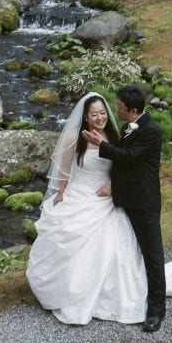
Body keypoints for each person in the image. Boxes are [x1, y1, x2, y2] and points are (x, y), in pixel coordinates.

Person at [26, 92, 154, 325]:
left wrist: (113, 184)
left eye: (103, 113)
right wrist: (61, 193)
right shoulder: (75, 137)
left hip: (104, 197)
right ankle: (65, 289)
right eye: (94, 114)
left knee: (114, 243)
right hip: (79, 192)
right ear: (85, 117)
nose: (100, 117)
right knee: (66, 234)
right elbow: (64, 168)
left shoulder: (115, 136)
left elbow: (125, 164)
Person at [82, 84, 168, 333]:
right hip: (126, 197)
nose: (115, 108)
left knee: (153, 255)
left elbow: (129, 157)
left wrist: (101, 144)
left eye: (119, 106)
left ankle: (156, 311)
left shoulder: (150, 131)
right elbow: (123, 160)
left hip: (143, 201)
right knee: (130, 251)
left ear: (132, 110)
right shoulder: (129, 126)